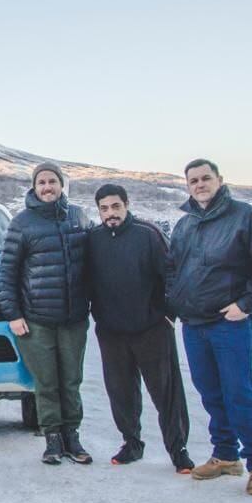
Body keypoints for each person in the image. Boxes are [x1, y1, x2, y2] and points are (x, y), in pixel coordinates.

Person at [167, 159, 252, 497]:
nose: (200, 184)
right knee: (210, 393)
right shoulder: (185, 224)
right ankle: (225, 456)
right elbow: (173, 268)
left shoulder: (243, 216)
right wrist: (174, 304)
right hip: (194, 324)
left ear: (219, 180)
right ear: (187, 186)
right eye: (193, 180)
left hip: (228, 323)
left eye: (206, 178)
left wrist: (245, 304)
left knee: (239, 393)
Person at [87, 184, 193, 473]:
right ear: (99, 211)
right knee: (121, 393)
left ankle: (178, 449)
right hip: (111, 331)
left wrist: (169, 314)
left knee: (166, 392)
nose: (111, 213)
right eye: (105, 208)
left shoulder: (148, 235)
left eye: (116, 206)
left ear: (126, 205)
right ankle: (131, 443)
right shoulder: (93, 239)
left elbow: (172, 274)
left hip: (152, 329)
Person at [0, 162, 93, 465]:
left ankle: (72, 437)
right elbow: (7, 274)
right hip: (36, 319)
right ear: (34, 187)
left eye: (52, 181)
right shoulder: (22, 223)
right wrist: (13, 314)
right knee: (47, 382)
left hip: (74, 318)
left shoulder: (78, 218)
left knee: (71, 380)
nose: (47, 187)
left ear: (62, 185)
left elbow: (94, 263)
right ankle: (52, 437)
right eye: (42, 182)